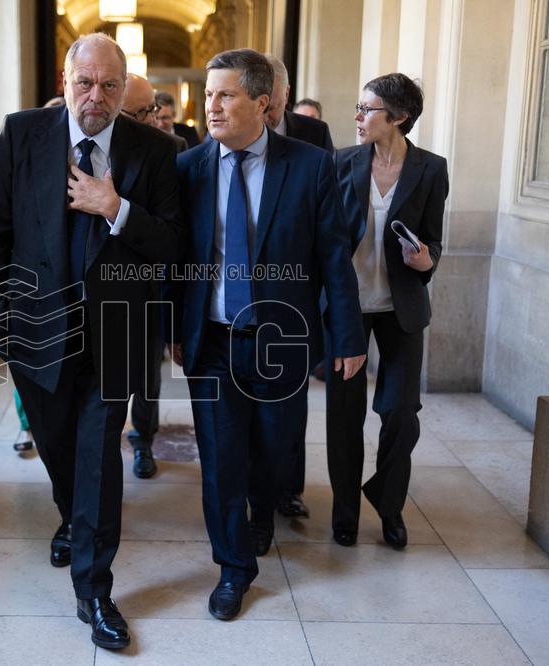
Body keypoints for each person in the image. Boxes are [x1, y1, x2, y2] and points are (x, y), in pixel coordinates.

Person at [0, 33, 183, 650]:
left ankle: (94, 591)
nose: (97, 97)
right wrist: (10, 311)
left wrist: (115, 206)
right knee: (59, 448)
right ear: (66, 80)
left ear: (126, 89)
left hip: (117, 334)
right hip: (38, 330)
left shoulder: (156, 149)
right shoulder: (22, 135)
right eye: (86, 83)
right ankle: (75, 520)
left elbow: (173, 242)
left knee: (97, 454)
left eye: (111, 85)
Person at [168, 48, 365, 621]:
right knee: (221, 459)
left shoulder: (309, 165)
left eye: (224, 95)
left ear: (262, 102)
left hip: (281, 340)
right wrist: (173, 329)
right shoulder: (190, 169)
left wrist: (348, 337)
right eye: (208, 95)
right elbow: (174, 261)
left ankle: (260, 509)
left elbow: (333, 256)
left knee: (273, 449)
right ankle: (234, 569)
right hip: (213, 339)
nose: (211, 106)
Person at [329, 73, 447, 549]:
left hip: (401, 309)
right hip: (348, 309)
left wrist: (427, 259)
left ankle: (389, 503)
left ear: (398, 118)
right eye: (359, 108)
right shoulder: (341, 163)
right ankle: (344, 513)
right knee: (344, 416)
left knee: (400, 412)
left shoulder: (431, 169)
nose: (358, 118)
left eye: (368, 109)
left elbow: (433, 237)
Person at [251, 55, 334, 524]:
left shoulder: (312, 135)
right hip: (248, 284)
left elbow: (326, 210)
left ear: (280, 95)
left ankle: (289, 488)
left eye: (275, 99)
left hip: (293, 290)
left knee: (291, 403)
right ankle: (254, 489)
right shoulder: (231, 128)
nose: (269, 109)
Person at [120, 75, 187, 479]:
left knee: (148, 373)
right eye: (140, 112)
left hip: (151, 280)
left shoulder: (173, 149)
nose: (151, 120)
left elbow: (176, 227)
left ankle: (144, 440)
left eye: (153, 111)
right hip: (103, 282)